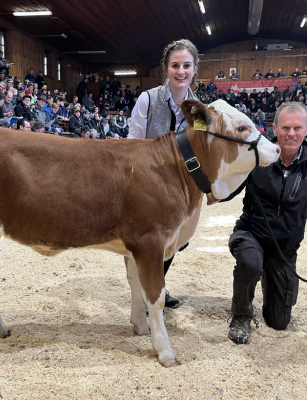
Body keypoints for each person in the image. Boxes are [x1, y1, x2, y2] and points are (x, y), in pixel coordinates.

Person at [226, 102, 307, 344]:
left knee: (279, 322)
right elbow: (226, 192)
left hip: (284, 250)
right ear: (274, 128)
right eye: (285, 127)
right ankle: (241, 314)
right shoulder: (255, 159)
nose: (291, 133)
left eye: (298, 127)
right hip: (250, 234)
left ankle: (270, 278)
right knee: (250, 261)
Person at [127, 39, 199, 309]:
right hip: (148, 181)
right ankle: (149, 294)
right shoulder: (148, 98)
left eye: (186, 66)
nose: (181, 71)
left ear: (194, 69)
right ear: (166, 68)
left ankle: (157, 287)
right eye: (175, 65)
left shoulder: (198, 108)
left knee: (174, 241)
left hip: (181, 185)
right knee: (150, 240)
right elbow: (133, 142)